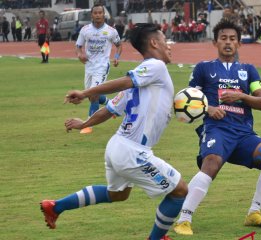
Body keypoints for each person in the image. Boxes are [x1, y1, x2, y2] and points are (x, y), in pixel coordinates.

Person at [40, 23, 187, 240]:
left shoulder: (142, 79)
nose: (169, 46)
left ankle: (56, 206)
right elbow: (125, 82)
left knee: (117, 194)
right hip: (133, 151)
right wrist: (85, 92)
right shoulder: (156, 66)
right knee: (180, 191)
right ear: (154, 43)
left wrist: (83, 124)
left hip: (117, 146)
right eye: (165, 40)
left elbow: (108, 110)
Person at [173, 18, 261, 236]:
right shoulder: (204, 68)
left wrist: (241, 95)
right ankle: (184, 219)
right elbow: (187, 99)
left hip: (243, 133)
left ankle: (254, 212)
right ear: (215, 42)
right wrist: (210, 108)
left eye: (232, 39)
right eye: (223, 38)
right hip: (216, 129)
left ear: (239, 43)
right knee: (211, 163)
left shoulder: (249, 70)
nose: (228, 42)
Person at [75, 4, 123, 134]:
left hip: (102, 66)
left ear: (104, 15)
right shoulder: (85, 30)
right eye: (95, 13)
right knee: (90, 96)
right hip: (89, 67)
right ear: (92, 15)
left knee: (93, 94)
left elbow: (119, 45)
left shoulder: (111, 31)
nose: (97, 15)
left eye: (99, 13)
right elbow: (78, 46)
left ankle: (88, 124)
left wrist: (117, 57)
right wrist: (80, 55)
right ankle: (111, 105)